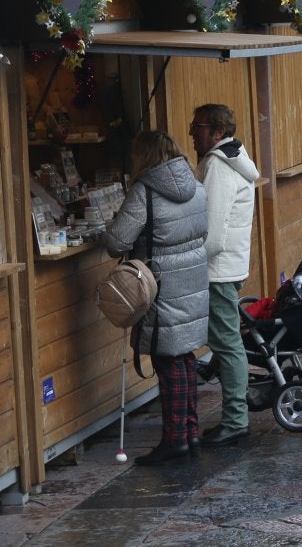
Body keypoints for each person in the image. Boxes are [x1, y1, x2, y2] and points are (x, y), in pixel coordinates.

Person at [105, 130, 208, 465]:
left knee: (169, 361)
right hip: (192, 276)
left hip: (161, 283)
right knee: (185, 358)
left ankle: (175, 440)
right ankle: (188, 432)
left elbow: (117, 243)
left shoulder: (144, 190)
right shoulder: (196, 184)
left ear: (144, 156)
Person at [190, 104, 256, 446]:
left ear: (217, 132)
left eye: (197, 126)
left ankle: (235, 420)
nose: (191, 132)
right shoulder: (231, 158)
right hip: (227, 266)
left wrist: (189, 262)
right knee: (227, 343)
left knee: (228, 345)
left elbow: (212, 234)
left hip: (216, 270)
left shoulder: (218, 165)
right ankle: (236, 414)